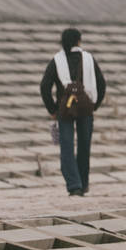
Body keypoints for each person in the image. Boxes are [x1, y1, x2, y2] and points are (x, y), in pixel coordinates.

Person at [37, 26, 107, 196]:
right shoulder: (89, 59)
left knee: (66, 147)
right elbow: (102, 84)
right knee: (84, 146)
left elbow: (44, 86)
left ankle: (74, 185)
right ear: (78, 41)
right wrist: (94, 105)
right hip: (86, 108)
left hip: (64, 109)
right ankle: (83, 184)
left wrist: (52, 108)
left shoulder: (56, 60)